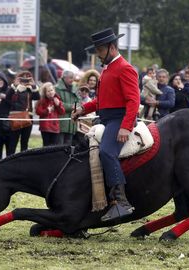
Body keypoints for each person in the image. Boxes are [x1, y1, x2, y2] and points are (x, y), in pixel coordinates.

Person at [73, 28, 139, 222]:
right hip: (107, 118)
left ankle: (121, 203)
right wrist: (82, 110)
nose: (98, 55)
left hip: (119, 119)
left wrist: (126, 127)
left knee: (107, 152)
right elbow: (102, 101)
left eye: (100, 50)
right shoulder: (108, 68)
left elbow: (133, 100)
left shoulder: (125, 68)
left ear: (111, 47)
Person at [6, 71, 40, 154]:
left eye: (27, 79)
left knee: (25, 141)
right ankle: (10, 161)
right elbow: (7, 98)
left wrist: (33, 85)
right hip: (16, 116)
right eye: (23, 79)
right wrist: (15, 85)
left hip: (28, 117)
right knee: (13, 141)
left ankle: (23, 161)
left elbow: (37, 97)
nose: (25, 82)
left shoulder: (30, 89)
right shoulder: (14, 89)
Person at [36, 82, 66, 146]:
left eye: (51, 90)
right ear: (45, 93)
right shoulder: (42, 101)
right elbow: (38, 111)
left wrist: (58, 105)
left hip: (55, 127)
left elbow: (62, 112)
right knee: (46, 145)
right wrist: (47, 110)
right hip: (45, 127)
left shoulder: (57, 99)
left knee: (54, 146)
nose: (50, 92)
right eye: (48, 91)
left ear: (54, 91)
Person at [55, 70, 79, 145]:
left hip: (72, 123)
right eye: (70, 78)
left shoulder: (75, 88)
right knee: (59, 146)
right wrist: (71, 107)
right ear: (64, 77)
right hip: (61, 122)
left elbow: (78, 101)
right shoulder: (57, 88)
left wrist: (77, 106)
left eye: (73, 78)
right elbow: (57, 103)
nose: (72, 80)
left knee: (68, 147)